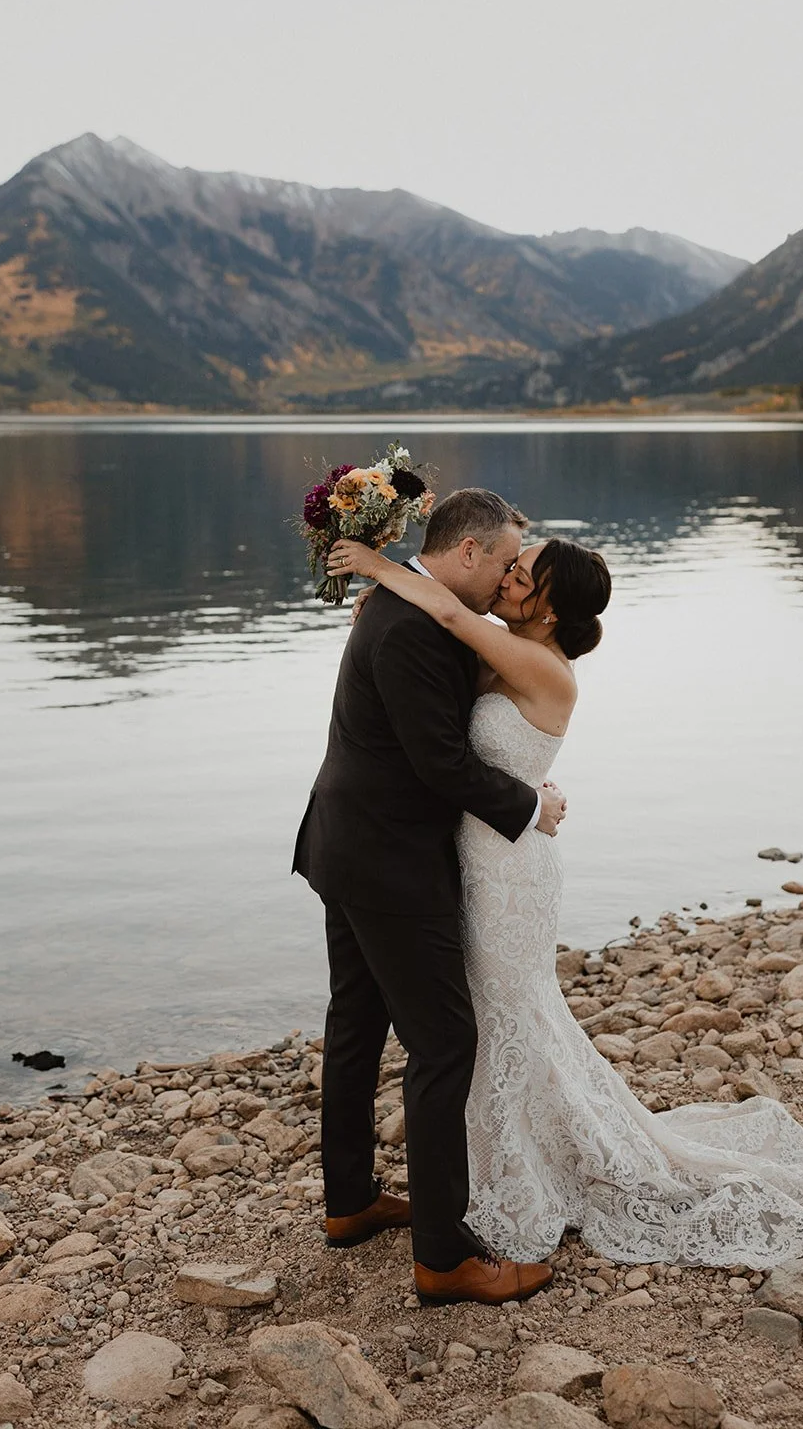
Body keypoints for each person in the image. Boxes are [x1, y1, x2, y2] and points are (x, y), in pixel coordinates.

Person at [327, 532, 803, 1269]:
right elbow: (445, 641)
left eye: (523, 574)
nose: (508, 577)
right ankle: (494, 1165)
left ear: (550, 609)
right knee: (491, 1020)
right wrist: (392, 595)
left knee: (502, 1016)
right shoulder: (500, 645)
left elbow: (452, 619)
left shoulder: (540, 666)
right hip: (471, 857)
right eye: (509, 565)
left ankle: (510, 1174)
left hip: (509, 870)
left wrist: (377, 566)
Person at [293, 488, 566, 1305]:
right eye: (506, 562)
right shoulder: (411, 623)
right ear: (469, 551)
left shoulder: (403, 605)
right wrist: (531, 807)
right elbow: (439, 763)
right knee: (445, 1045)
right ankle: (444, 1258)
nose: (509, 578)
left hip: (348, 844)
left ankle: (349, 1202)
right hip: (390, 863)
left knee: (355, 1026)